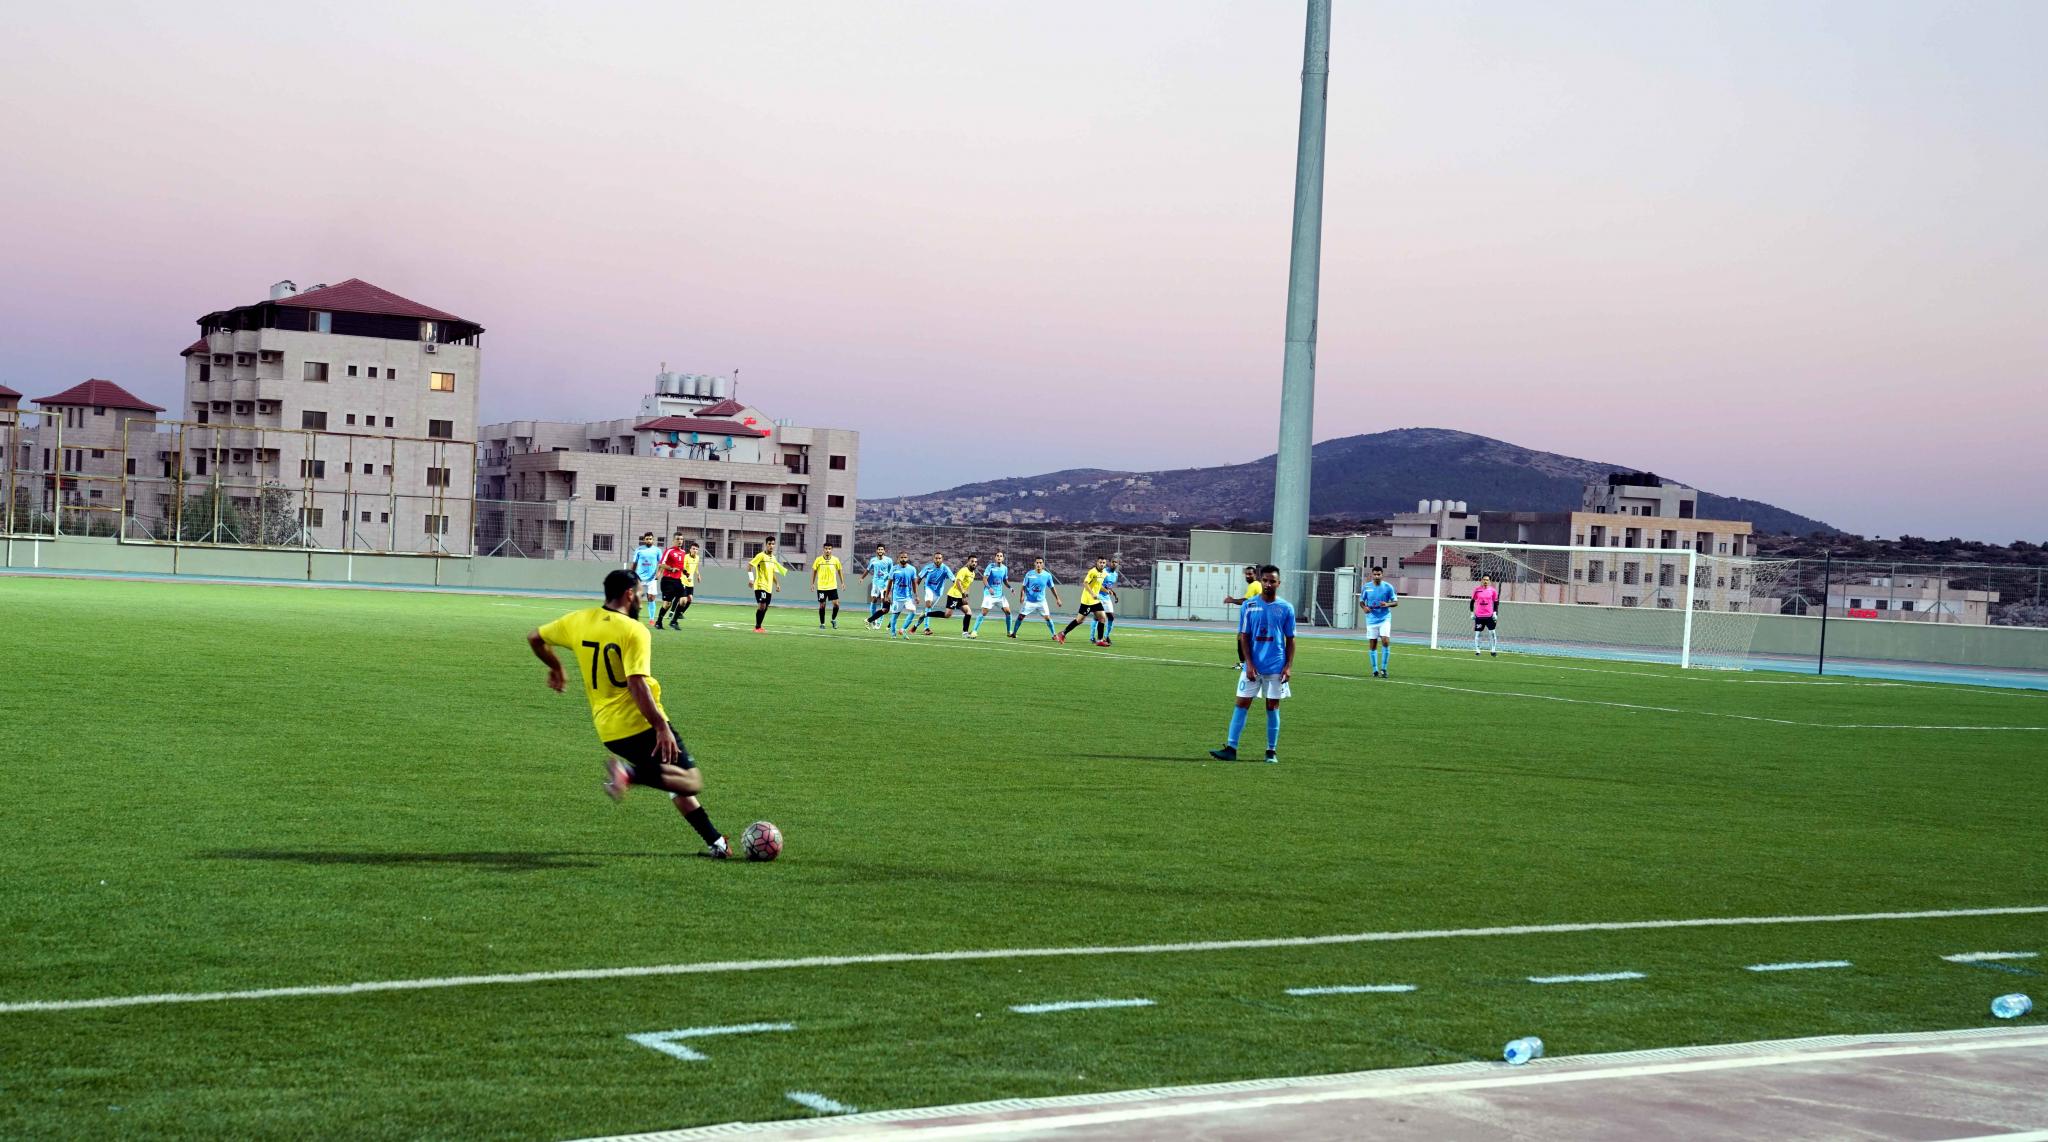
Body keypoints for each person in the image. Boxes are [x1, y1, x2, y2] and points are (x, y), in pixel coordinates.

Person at [526, 569, 730, 858]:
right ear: (629, 595)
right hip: (640, 722)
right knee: (691, 780)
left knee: (669, 776)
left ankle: (717, 843)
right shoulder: (634, 631)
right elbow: (636, 682)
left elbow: (535, 637)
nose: (644, 597)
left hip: (609, 731)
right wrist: (660, 726)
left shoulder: (578, 620)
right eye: (640, 592)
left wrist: (556, 667)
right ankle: (628, 774)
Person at [1210, 564, 1293, 764]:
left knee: (1272, 707)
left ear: (1278, 583)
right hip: (1252, 667)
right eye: (1265, 580)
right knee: (1241, 704)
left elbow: (1291, 639)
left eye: (1272, 581)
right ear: (1261, 581)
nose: (1268, 584)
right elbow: (1244, 636)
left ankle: (1271, 751)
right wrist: (1248, 663)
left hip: (1275, 666)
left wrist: (1288, 666)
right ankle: (1231, 748)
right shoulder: (1249, 606)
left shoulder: (1286, 608)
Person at [1058, 557, 1111, 646]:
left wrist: (1107, 591)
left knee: (1102, 618)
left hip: (1095, 601)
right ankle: (1062, 633)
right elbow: (1085, 583)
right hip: (1087, 601)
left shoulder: (1104, 573)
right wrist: (1092, 594)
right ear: (1097, 563)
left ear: (1105, 564)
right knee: (1079, 620)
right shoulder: (1092, 572)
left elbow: (1098, 586)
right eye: (1100, 562)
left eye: (1104, 563)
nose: (1102, 564)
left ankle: (1100, 640)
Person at [1361, 565, 1399, 677]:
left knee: (1386, 641)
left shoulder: (1388, 587)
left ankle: (1384, 669)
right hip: (1371, 619)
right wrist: (1364, 608)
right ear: (1372, 575)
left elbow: (1396, 602)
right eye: (1375, 574)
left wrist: (1387, 604)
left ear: (1382, 575)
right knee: (1373, 645)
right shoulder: (1366, 587)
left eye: (1379, 574)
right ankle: (1375, 670)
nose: (1377, 576)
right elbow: (1362, 601)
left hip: (1384, 618)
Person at [747, 539, 789, 632]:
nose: (771, 546)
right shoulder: (760, 556)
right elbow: (750, 565)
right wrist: (751, 578)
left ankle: (759, 626)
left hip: (769, 587)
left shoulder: (773, 558)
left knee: (765, 607)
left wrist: (777, 583)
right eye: (769, 544)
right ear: (766, 545)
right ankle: (757, 627)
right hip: (760, 585)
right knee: (762, 606)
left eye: (773, 544)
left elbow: (772, 572)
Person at [1013, 557, 1061, 638]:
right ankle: (1013, 633)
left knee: (1048, 618)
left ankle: (1054, 634)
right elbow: (1023, 586)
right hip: (1029, 601)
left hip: (1041, 602)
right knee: (1021, 616)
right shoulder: (1029, 574)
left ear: (1043, 564)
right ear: (1034, 564)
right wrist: (1022, 596)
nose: (1038, 564)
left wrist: (1057, 598)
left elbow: (1052, 588)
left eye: (1040, 562)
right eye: (1037, 562)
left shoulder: (1047, 575)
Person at [972, 550, 1012, 638]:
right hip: (989, 594)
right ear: (995, 558)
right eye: (997, 555)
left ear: (1003, 558)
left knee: (1008, 612)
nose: (999, 557)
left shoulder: (1005, 568)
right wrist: (989, 588)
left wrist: (1011, 588)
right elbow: (984, 579)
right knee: (984, 612)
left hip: (1000, 595)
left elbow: (1005, 581)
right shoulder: (990, 566)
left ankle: (1009, 632)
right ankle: (974, 631)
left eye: (1001, 556)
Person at [655, 532, 690, 629]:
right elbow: (661, 564)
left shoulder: (683, 552)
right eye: (678, 539)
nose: (680, 541)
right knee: (667, 604)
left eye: (681, 539)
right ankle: (658, 622)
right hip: (667, 581)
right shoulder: (669, 551)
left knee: (684, 600)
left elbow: (680, 566)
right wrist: (671, 569)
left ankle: (674, 621)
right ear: (673, 540)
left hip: (678, 581)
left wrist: (685, 572)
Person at [915, 551, 953, 635]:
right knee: (928, 604)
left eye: (939, 558)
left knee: (928, 610)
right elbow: (919, 579)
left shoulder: (945, 568)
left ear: (942, 559)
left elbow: (953, 579)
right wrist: (916, 592)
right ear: (933, 559)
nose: (938, 560)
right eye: (936, 558)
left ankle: (916, 625)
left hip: (938, 592)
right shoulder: (928, 567)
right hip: (928, 588)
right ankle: (926, 628)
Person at [629, 533, 662, 625]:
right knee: (636, 597)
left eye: (650, 539)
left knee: (651, 598)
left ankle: (651, 619)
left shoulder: (657, 550)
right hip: (639, 577)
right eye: (647, 539)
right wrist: (631, 574)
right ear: (644, 540)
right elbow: (634, 563)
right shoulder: (639, 550)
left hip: (651, 578)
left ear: (653, 540)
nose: (649, 540)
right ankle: (634, 617)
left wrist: (658, 574)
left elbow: (661, 564)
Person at [811, 543, 846, 629]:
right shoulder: (818, 560)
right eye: (826, 549)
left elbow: (839, 571)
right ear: (823, 549)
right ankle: (822, 624)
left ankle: (833, 620)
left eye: (829, 549)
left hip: (832, 586)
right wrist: (812, 583)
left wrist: (842, 583)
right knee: (822, 605)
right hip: (821, 587)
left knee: (836, 604)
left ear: (832, 550)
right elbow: (814, 572)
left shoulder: (835, 560)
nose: (828, 550)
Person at [886, 557, 922, 638]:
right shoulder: (894, 568)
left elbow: (914, 583)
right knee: (895, 615)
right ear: (898, 558)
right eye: (901, 557)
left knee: (913, 611)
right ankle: (893, 634)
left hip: (908, 597)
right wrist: (887, 595)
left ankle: (902, 629)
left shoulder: (912, 569)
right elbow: (889, 583)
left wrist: (916, 595)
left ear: (907, 558)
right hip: (897, 597)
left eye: (905, 557)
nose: (903, 559)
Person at [944, 556, 980, 636]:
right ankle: (926, 614)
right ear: (968, 562)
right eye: (972, 561)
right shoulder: (964, 570)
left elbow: (967, 585)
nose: (974, 563)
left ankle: (965, 632)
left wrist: (966, 595)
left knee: (969, 612)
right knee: (947, 615)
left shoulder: (973, 574)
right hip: (954, 594)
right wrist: (963, 594)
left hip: (961, 595)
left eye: (975, 562)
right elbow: (958, 582)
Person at [864, 544, 894, 628]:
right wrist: (862, 578)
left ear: (884, 551)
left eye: (882, 549)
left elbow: (891, 571)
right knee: (873, 600)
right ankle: (873, 619)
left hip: (885, 583)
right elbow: (868, 569)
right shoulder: (873, 560)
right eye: (879, 549)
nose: (880, 551)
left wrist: (890, 581)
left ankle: (879, 622)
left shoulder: (889, 560)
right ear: (877, 551)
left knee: (883, 601)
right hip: (876, 583)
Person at [1471, 574, 1501, 657]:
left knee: (1492, 633)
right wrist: (1472, 613)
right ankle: (1477, 651)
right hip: (1479, 616)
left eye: (1487, 580)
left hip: (1489, 616)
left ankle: (1493, 650)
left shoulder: (1493, 591)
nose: (1485, 581)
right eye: (1484, 579)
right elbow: (1472, 601)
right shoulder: (1477, 590)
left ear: (1489, 581)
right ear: (1481, 580)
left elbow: (1495, 602)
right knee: (1478, 634)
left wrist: (1495, 613)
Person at [1099, 558, 1122, 641]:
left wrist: (1115, 595)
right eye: (1113, 562)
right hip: (1099, 595)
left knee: (1111, 617)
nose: (1114, 564)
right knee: (1099, 617)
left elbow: (1109, 587)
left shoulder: (1115, 575)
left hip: (1106, 597)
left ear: (1117, 564)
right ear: (1110, 563)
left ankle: (1106, 636)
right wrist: (1106, 590)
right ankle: (1093, 637)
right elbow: (1098, 584)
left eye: (1116, 562)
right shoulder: (1104, 571)